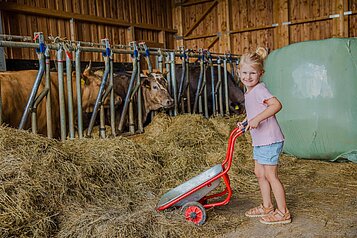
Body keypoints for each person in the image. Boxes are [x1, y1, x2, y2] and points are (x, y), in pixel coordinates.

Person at [236, 47, 291, 224]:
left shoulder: (259, 89)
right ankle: (267, 206)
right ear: (238, 72)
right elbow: (255, 111)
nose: (248, 77)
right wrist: (246, 122)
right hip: (259, 140)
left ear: (261, 73)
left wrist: (258, 119)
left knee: (270, 175)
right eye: (245, 72)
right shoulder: (249, 92)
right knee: (259, 173)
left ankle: (283, 212)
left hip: (270, 139)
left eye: (253, 73)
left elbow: (276, 105)